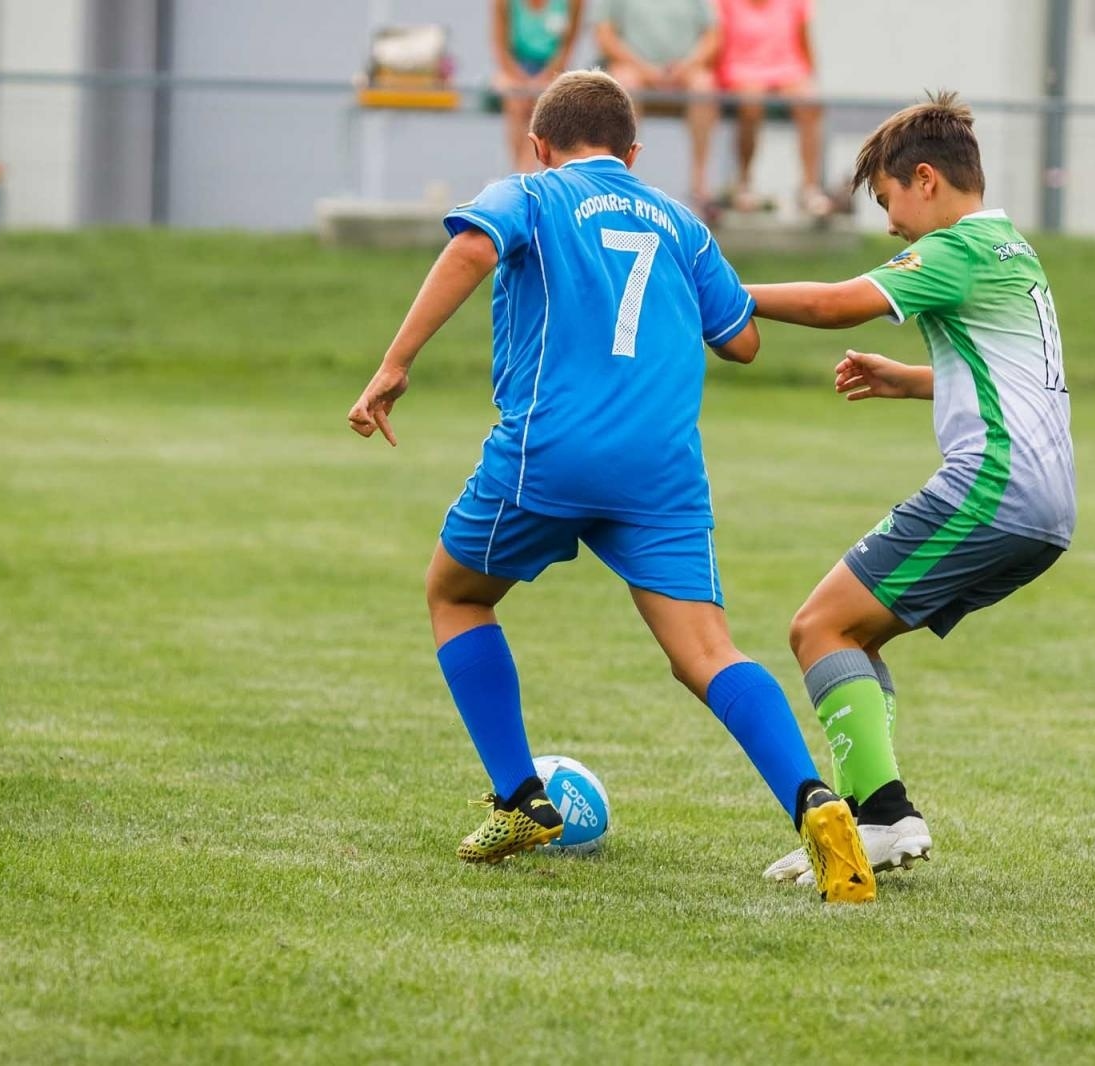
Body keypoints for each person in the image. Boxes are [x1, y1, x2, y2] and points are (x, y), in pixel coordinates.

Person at [347, 70, 874, 904]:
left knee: (456, 596)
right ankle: (815, 802)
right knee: (707, 653)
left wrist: (395, 363)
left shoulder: (532, 193)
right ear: (634, 153)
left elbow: (472, 245)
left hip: (549, 453)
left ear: (539, 144)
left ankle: (521, 800)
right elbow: (740, 344)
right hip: (659, 470)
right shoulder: (680, 222)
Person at [743, 93, 1076, 883]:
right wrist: (917, 379)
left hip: (992, 489)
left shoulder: (955, 249)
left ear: (925, 180)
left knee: (817, 627)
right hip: (1045, 506)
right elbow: (1017, 378)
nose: (889, 224)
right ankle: (874, 816)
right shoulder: (1011, 250)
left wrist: (717, 292)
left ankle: (887, 816)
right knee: (850, 634)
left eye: (888, 202)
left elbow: (833, 304)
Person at [593, 0, 720, 213]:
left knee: (704, 86)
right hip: (633, 70)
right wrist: (645, 69)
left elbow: (713, 36)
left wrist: (685, 67)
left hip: (685, 73)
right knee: (624, 84)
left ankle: (700, 187)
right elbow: (605, 35)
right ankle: (615, 178)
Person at [714, 0, 831, 217]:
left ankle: (809, 188)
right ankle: (744, 182)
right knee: (751, 102)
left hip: (788, 70)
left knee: (809, 101)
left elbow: (805, 43)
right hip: (741, 69)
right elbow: (716, 39)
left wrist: (810, 78)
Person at [492, 0, 585, 173]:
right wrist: (520, 78)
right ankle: (524, 173)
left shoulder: (574, 3)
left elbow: (568, 47)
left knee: (542, 102)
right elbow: (500, 46)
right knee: (516, 100)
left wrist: (545, 77)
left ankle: (527, 174)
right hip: (515, 70)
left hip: (553, 70)